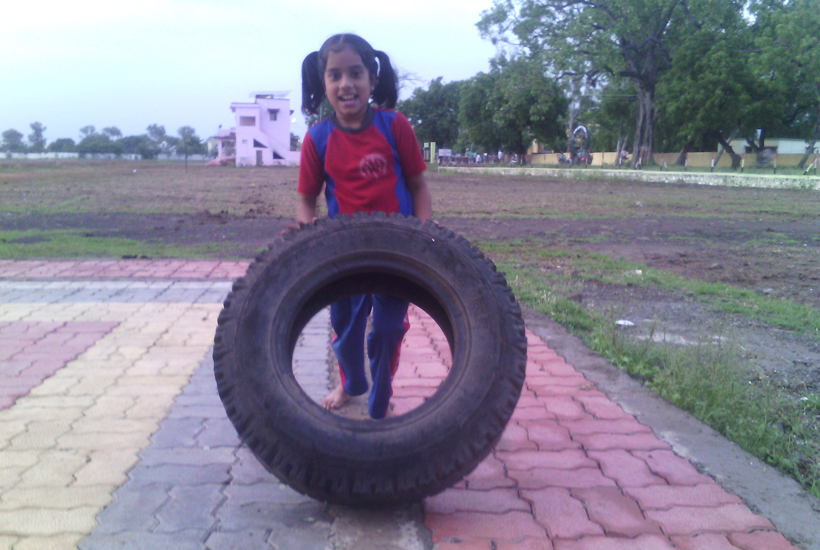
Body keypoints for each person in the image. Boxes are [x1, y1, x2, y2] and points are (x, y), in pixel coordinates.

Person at [296, 33, 433, 419]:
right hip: (345, 253)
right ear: (323, 83)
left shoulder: (395, 126)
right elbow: (306, 198)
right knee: (346, 330)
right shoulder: (318, 138)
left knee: (387, 330)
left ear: (372, 79)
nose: (346, 84)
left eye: (355, 73)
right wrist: (306, 234)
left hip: (397, 250)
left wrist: (425, 234)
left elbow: (418, 186)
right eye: (335, 75)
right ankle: (352, 383)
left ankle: (380, 397)